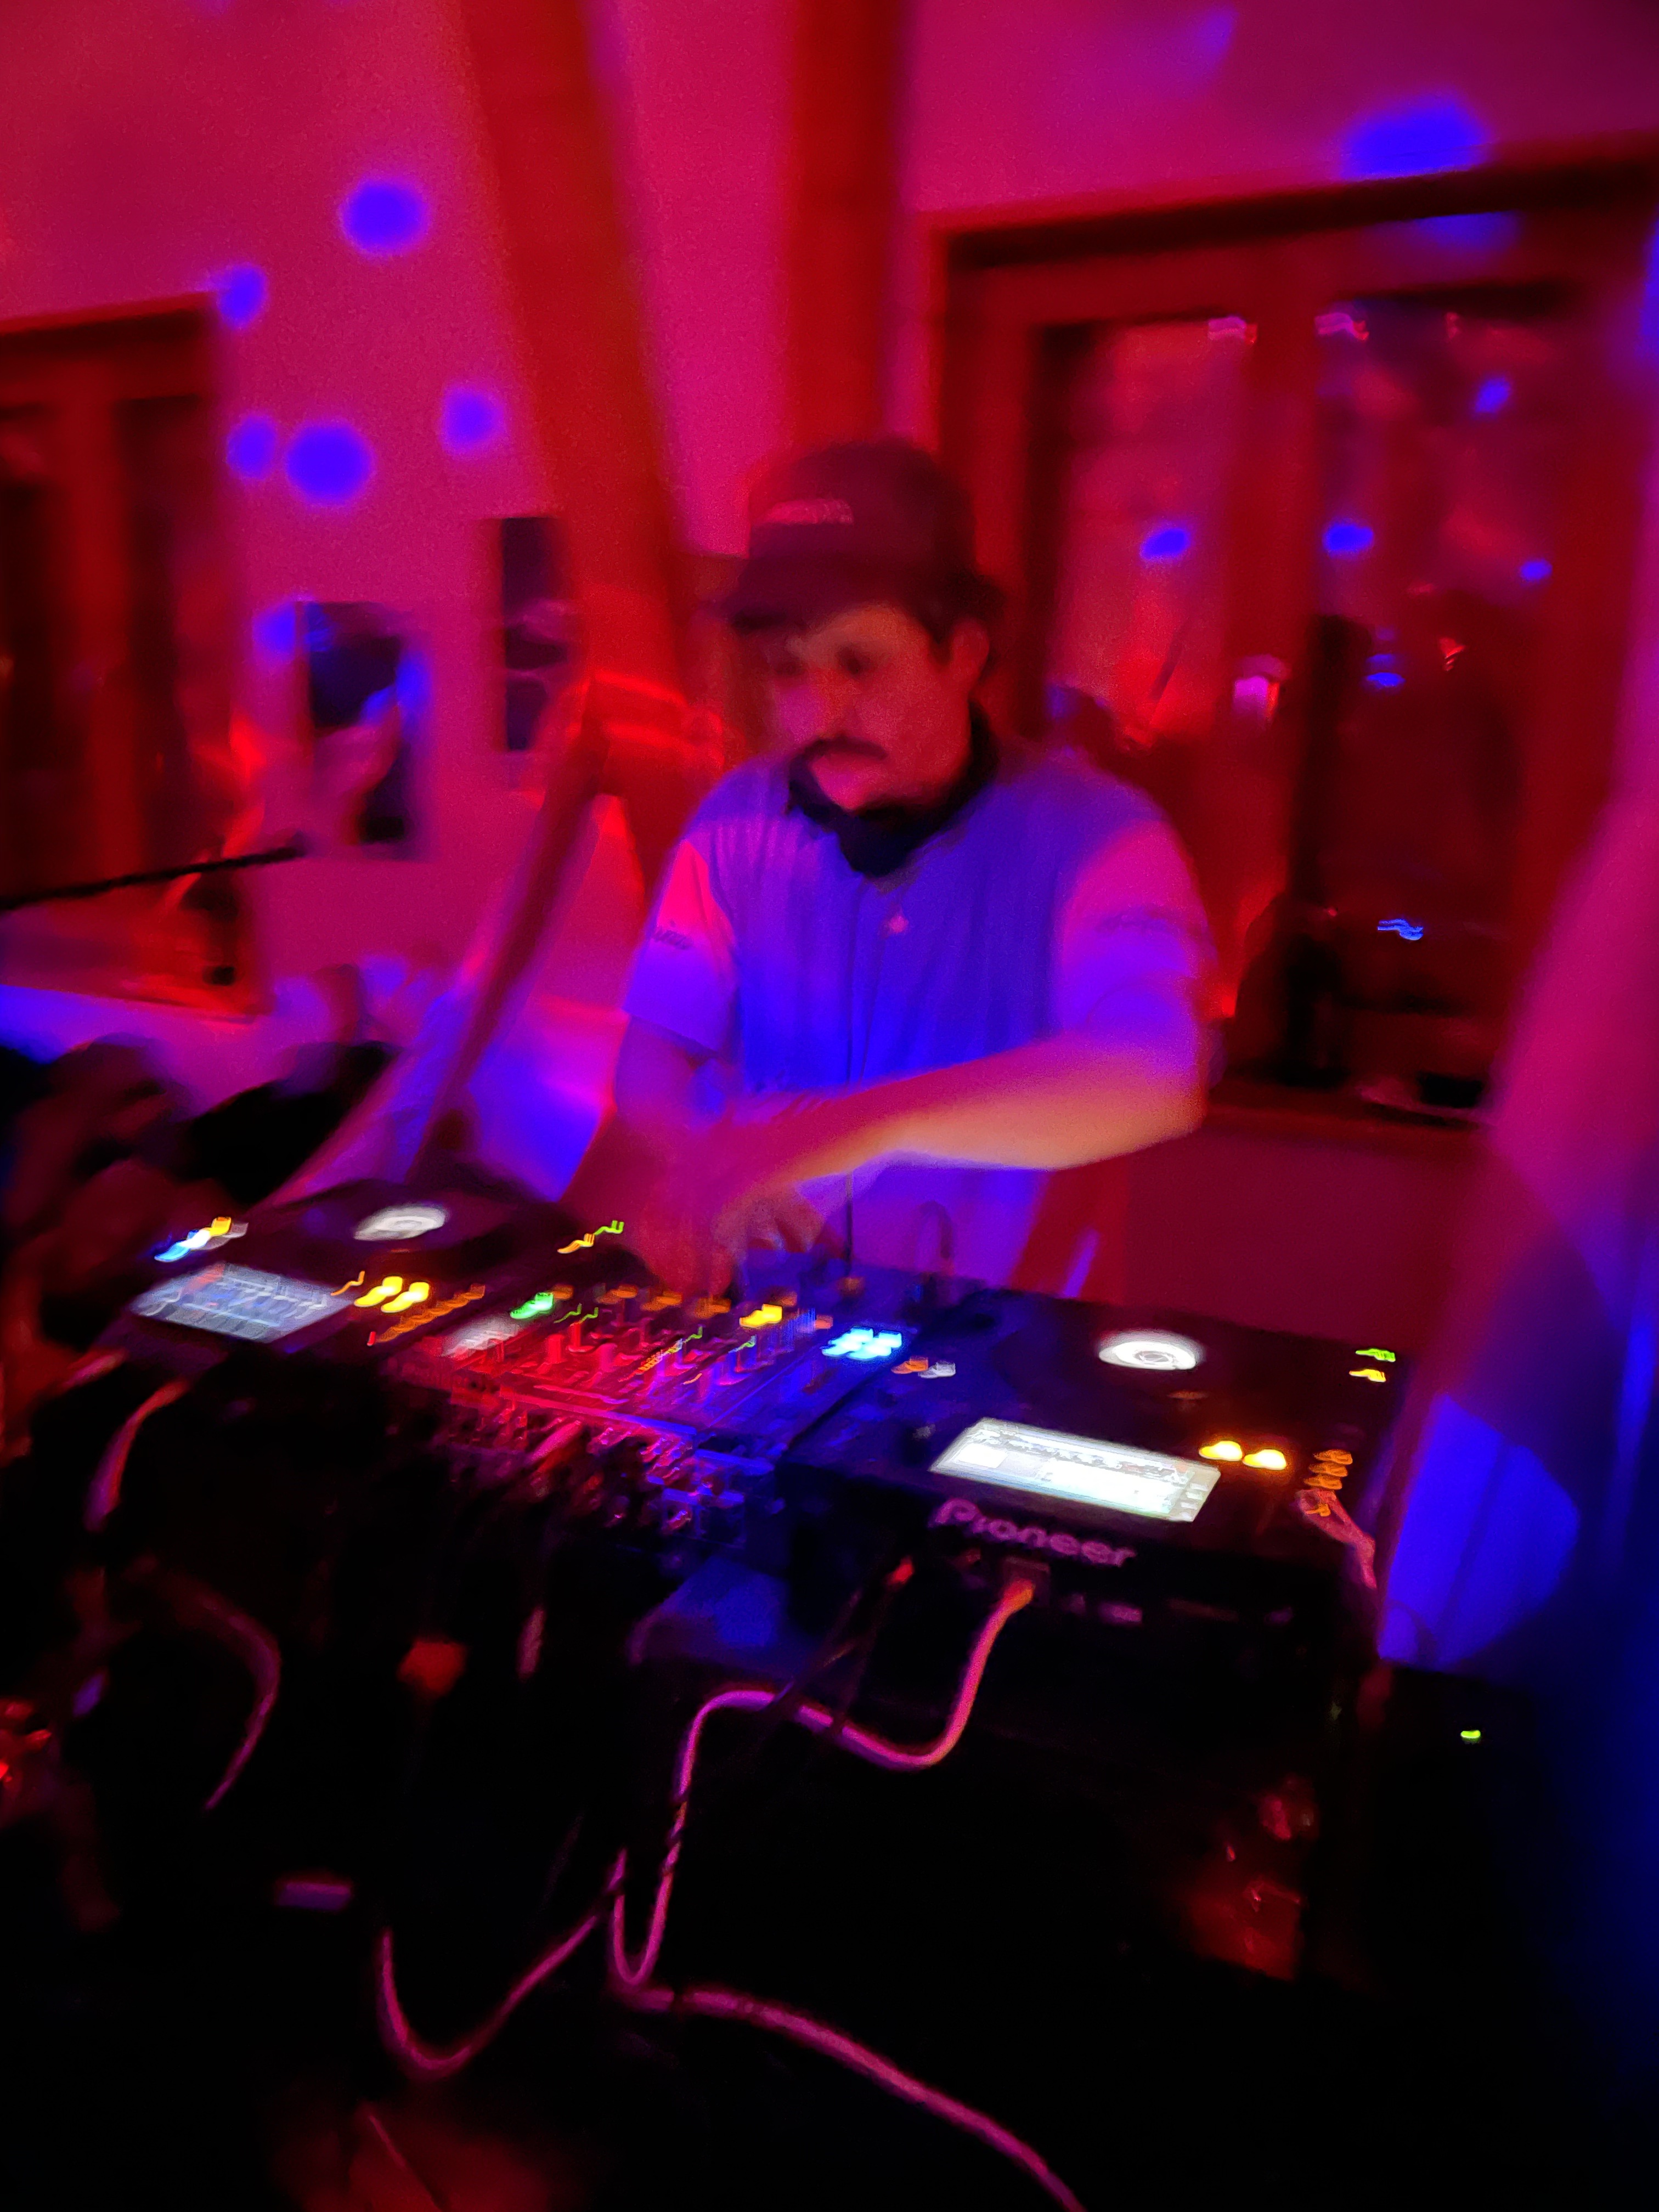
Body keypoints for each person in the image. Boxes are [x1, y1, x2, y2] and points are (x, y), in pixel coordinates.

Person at [615, 438, 1213, 1294]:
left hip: (1000, 1343)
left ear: (962, 653)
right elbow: (653, 1054)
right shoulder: (731, 822)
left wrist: (850, 1130)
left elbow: (1156, 1073)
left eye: (859, 663)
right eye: (787, 670)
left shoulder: (1102, 835)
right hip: (771, 1324)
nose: (818, 710)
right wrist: (709, 1162)